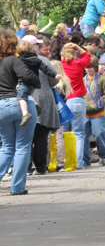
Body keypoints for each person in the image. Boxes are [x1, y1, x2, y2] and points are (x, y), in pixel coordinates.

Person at [0, 29, 40, 195]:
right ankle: (17, 187)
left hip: (1, 105)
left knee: (6, 147)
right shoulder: (14, 60)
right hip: (19, 103)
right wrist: (35, 81)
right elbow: (28, 77)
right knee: (23, 146)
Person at [30, 37, 60, 175]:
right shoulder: (44, 61)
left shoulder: (16, 61)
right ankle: (41, 168)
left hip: (24, 100)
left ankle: (25, 167)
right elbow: (54, 80)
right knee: (41, 136)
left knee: (26, 138)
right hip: (43, 98)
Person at [15, 36, 59, 127]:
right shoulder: (41, 60)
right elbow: (54, 80)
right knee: (42, 138)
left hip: (20, 104)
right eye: (36, 45)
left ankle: (27, 111)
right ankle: (34, 104)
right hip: (43, 100)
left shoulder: (16, 60)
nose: (38, 47)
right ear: (30, 46)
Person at [60, 42, 92, 168]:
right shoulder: (78, 64)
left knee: (64, 132)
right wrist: (77, 46)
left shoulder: (61, 66)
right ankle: (78, 163)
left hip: (64, 101)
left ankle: (64, 162)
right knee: (78, 133)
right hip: (77, 100)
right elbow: (87, 56)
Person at [82, 56, 105, 167]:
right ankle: (85, 159)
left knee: (100, 134)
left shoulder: (101, 79)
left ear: (95, 67)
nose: (88, 70)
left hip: (98, 112)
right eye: (86, 68)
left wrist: (101, 103)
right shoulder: (83, 80)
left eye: (90, 67)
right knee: (84, 136)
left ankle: (104, 156)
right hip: (85, 113)